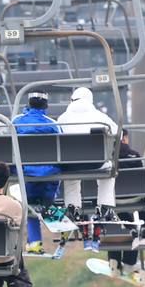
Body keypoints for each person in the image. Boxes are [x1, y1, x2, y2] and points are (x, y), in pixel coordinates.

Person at [56, 87, 119, 247]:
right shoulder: (100, 117)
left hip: (70, 164)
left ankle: (73, 207)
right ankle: (105, 205)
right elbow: (117, 132)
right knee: (109, 170)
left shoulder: (63, 118)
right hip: (96, 162)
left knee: (71, 179)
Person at [13, 90, 62, 252]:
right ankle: (60, 222)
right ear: (45, 106)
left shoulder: (16, 122)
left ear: (27, 104)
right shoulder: (52, 123)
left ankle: (34, 243)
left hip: (25, 173)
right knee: (46, 201)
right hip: (48, 174)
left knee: (30, 204)